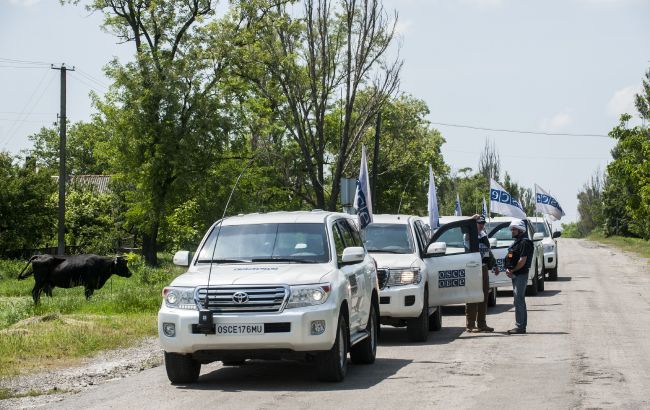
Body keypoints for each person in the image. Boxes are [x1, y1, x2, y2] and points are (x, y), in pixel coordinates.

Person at [465, 214, 499, 333]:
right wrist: (472, 218)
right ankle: (470, 324)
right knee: (473, 296)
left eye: (483, 223)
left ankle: (482, 324)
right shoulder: (468, 235)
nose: (481, 225)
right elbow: (465, 225)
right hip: (472, 268)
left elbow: (487, 251)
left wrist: (494, 264)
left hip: (483, 267)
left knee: (484, 296)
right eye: (479, 223)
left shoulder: (484, 235)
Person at [504, 218, 534, 334]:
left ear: (520, 230)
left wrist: (513, 270)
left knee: (519, 300)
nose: (512, 231)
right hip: (516, 274)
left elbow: (522, 261)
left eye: (514, 229)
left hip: (520, 275)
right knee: (518, 300)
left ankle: (520, 326)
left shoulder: (524, 242)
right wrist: (508, 268)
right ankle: (520, 326)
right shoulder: (517, 242)